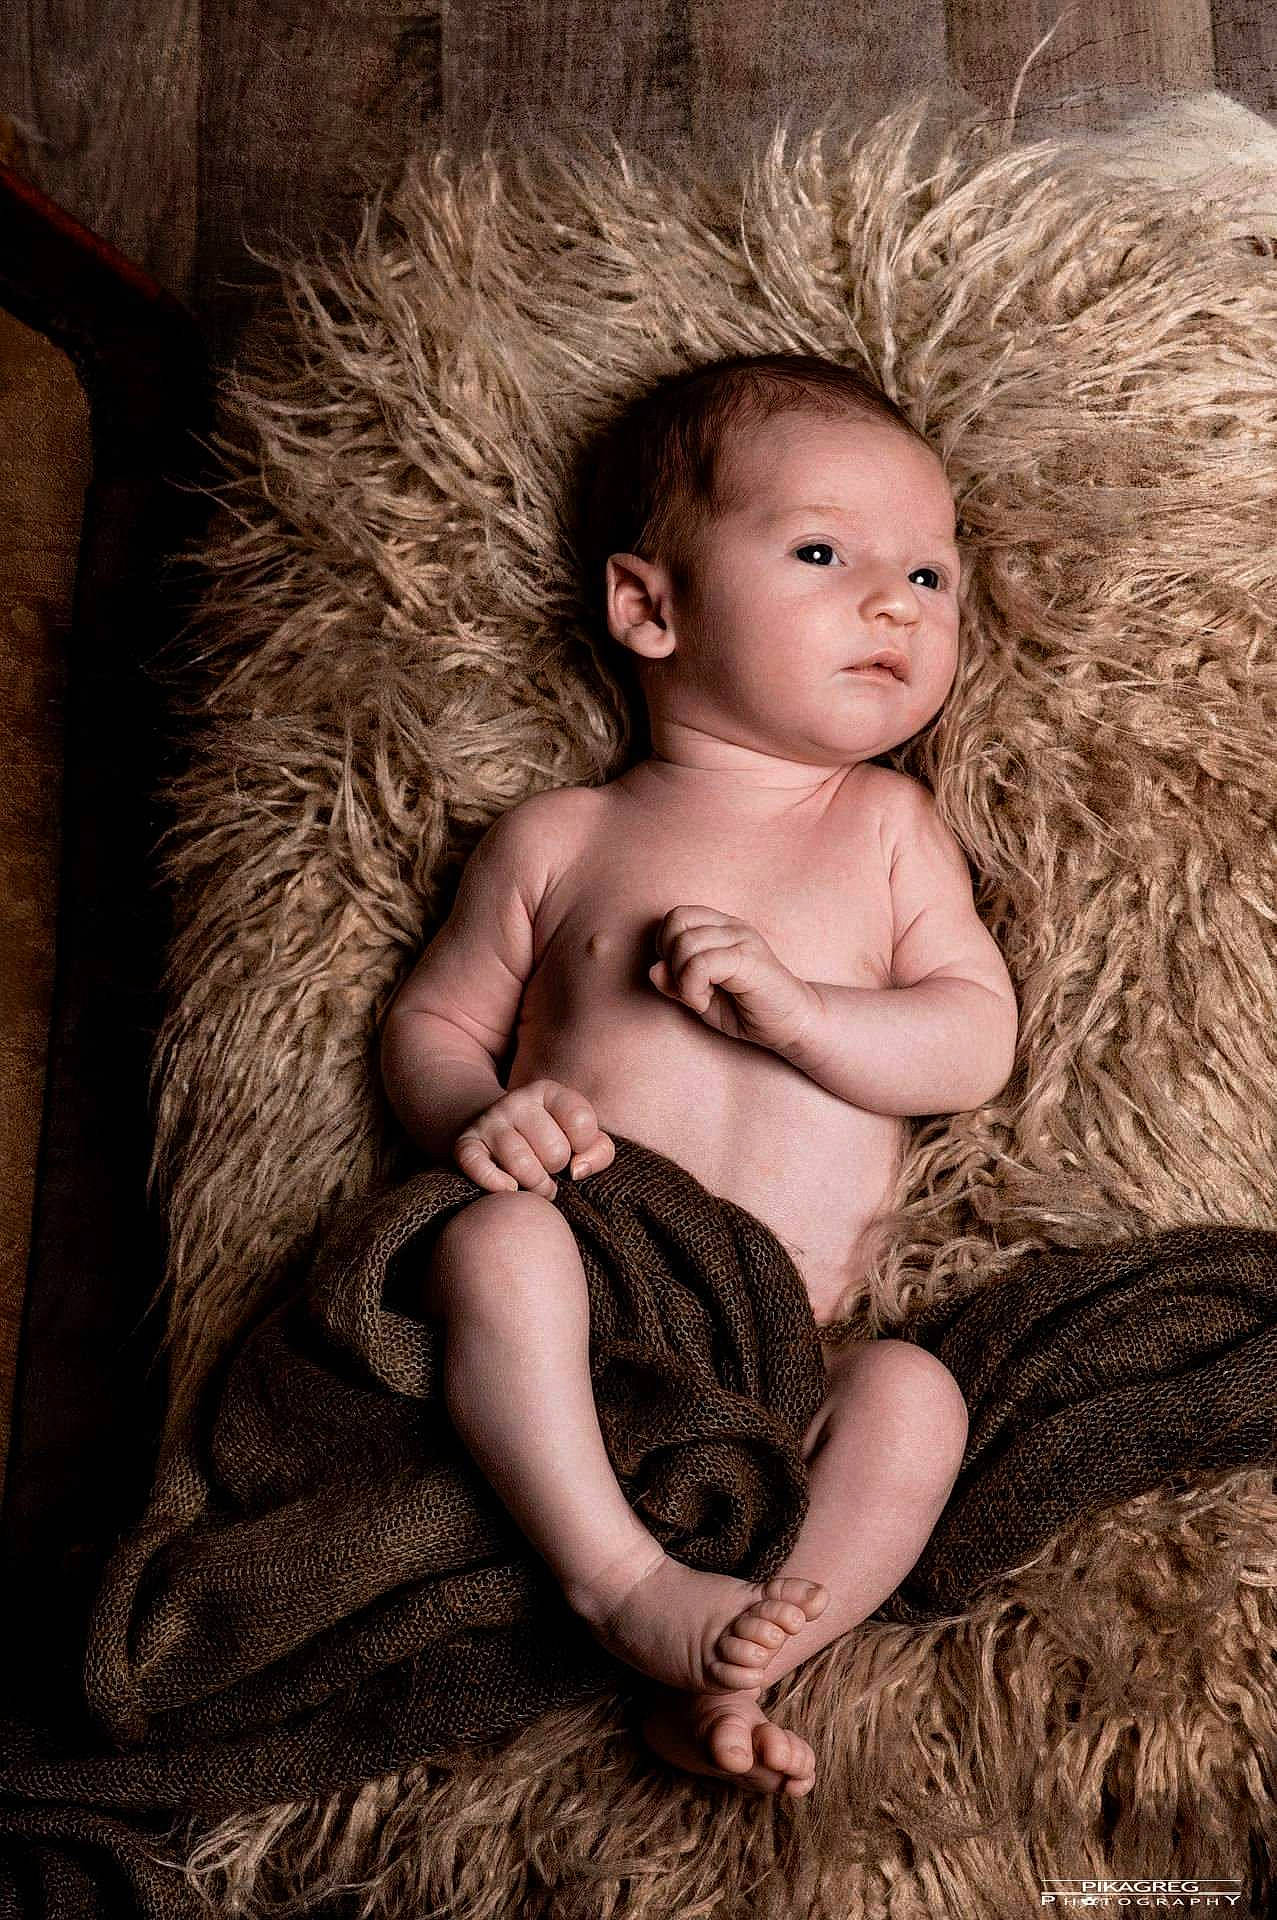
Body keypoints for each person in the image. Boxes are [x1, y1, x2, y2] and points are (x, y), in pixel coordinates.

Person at [380, 352, 1018, 1799]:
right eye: (821, 553)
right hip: (586, 1300)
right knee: (490, 1243)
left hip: (781, 1350)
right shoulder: (557, 839)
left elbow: (972, 1041)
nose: (891, 604)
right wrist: (481, 1113)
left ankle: (741, 1659)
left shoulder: (886, 828)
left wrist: (804, 1016)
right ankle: (617, 1579)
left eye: (930, 575)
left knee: (914, 1395)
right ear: (647, 606)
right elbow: (428, 1026)